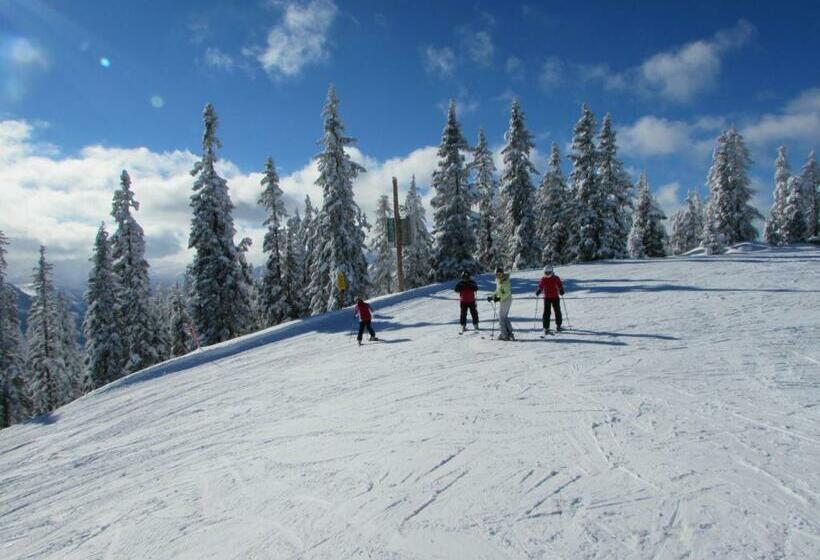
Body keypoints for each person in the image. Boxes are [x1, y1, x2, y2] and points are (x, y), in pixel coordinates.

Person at [535, 264, 564, 334]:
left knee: (557, 311)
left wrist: (561, 290)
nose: (547, 274)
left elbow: (560, 284)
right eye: (546, 273)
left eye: (548, 273)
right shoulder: (543, 279)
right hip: (547, 298)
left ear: (551, 272)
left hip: (555, 297)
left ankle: (559, 325)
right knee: (546, 312)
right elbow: (541, 286)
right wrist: (539, 290)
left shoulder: (556, 278)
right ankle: (546, 327)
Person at [487, 266, 514, 340]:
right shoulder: (499, 280)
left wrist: (498, 298)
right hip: (504, 300)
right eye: (497, 274)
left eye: (500, 274)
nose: (498, 275)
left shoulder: (505, 281)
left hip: (506, 300)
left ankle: (504, 334)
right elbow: (497, 291)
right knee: (504, 317)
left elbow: (506, 293)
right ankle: (509, 333)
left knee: (501, 318)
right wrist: (492, 297)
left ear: (502, 273)